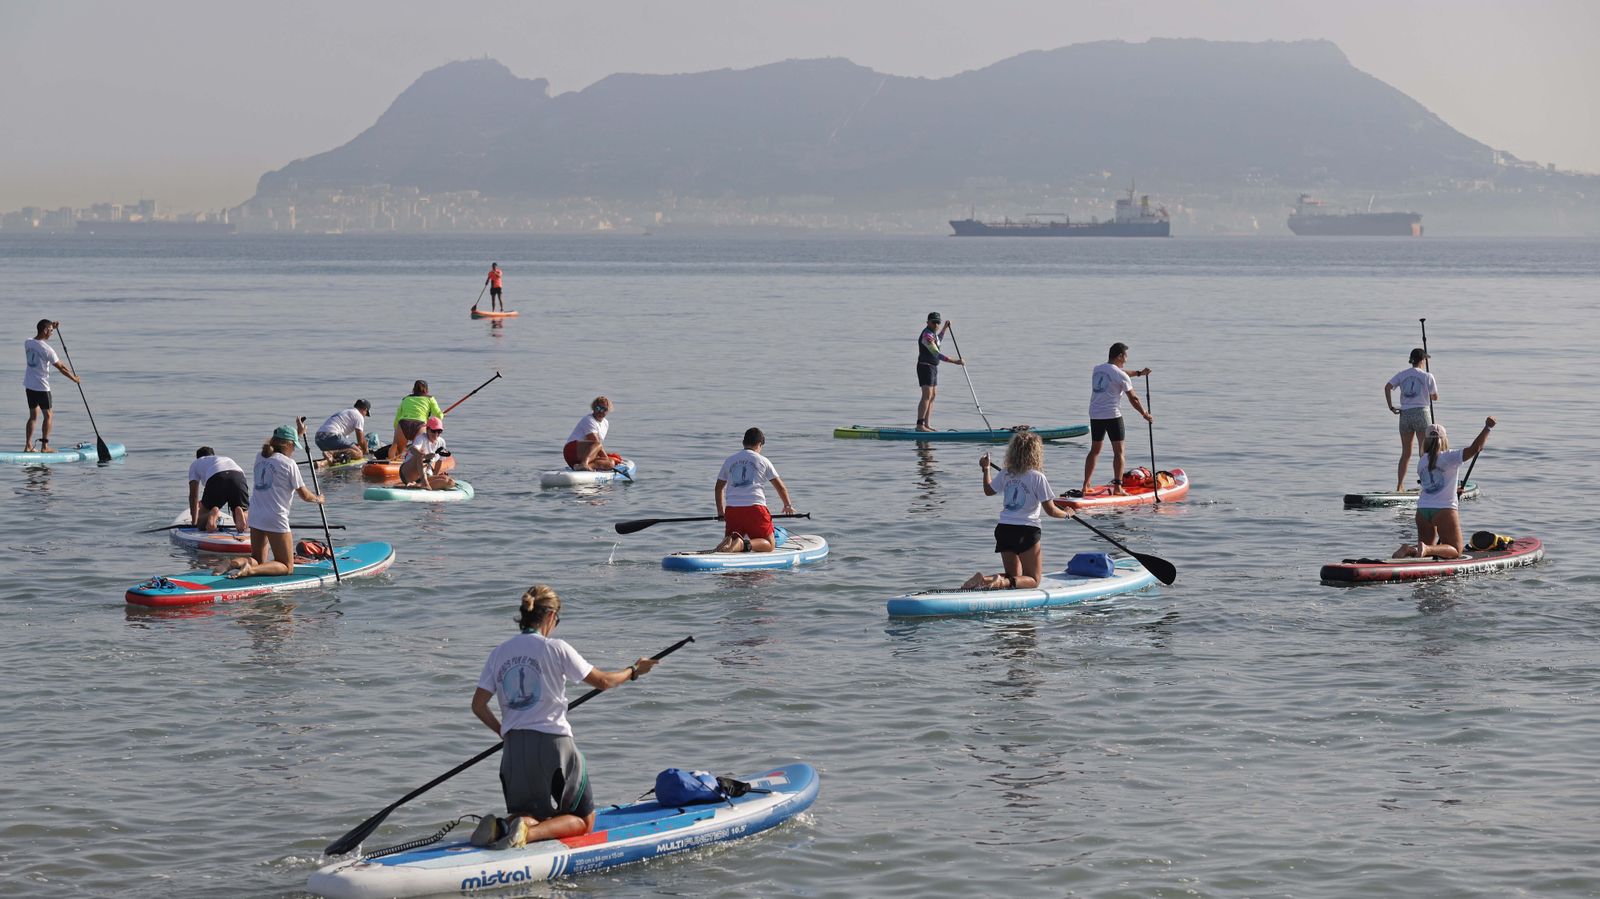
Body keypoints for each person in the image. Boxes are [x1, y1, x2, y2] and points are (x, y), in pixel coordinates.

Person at [471, 585, 659, 846]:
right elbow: (604, 681)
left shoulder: (498, 653)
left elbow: (478, 706)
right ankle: (528, 833)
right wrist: (634, 670)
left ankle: (503, 826)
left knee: (530, 812)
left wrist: (504, 732)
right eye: (557, 620)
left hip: (513, 748)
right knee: (584, 820)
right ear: (550, 616)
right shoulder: (556, 648)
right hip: (553, 747)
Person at [962, 430, 1074, 590]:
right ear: (1035, 453)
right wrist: (1067, 515)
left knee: (1015, 577)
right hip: (1026, 531)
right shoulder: (1037, 477)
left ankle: (985, 580)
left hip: (1004, 529)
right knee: (1033, 580)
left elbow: (988, 490)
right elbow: (1051, 510)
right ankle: (999, 582)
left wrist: (986, 469)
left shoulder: (1006, 473)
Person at [215, 421, 325, 578]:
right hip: (275, 517)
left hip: (256, 514)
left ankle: (231, 563)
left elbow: (276, 451)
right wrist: (318, 498)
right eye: (293, 445)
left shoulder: (260, 456)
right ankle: (250, 571)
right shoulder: (289, 464)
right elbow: (305, 495)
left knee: (257, 558)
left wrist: (298, 434)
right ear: (287, 444)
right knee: (287, 566)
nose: (294, 449)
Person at [1394, 418, 1495, 560]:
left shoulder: (1422, 461)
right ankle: (1426, 548)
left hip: (1423, 510)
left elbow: (1431, 485)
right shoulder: (1449, 456)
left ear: (1426, 441)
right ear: (1444, 440)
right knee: (1456, 550)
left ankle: (1410, 549)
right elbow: (1475, 449)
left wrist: (1454, 491)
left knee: (1425, 554)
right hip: (1444, 510)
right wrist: (1487, 428)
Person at [1080, 342, 1152, 496]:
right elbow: (1134, 398)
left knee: (1094, 450)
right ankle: (1118, 488)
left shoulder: (1098, 369)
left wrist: (1139, 373)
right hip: (1112, 415)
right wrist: (1144, 414)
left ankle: (1085, 485)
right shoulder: (1121, 375)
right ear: (1120, 356)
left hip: (1095, 414)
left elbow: (1120, 374)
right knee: (1119, 452)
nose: (1126, 359)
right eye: (1125, 356)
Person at [711, 427, 797, 553]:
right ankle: (742, 544)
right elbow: (780, 487)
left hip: (732, 510)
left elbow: (718, 488)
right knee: (769, 544)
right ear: (759, 444)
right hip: (755, 509)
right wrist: (787, 505)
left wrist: (720, 512)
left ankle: (729, 542)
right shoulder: (763, 460)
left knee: (732, 538)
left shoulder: (729, 460)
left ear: (743, 443)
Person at [22, 319, 82, 453]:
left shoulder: (28, 342)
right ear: (44, 330)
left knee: (33, 416)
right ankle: (44, 447)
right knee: (48, 416)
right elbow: (61, 368)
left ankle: (28, 446)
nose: (52, 333)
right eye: (50, 331)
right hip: (42, 387)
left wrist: (52, 326)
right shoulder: (48, 350)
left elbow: (39, 337)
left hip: (29, 385)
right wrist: (74, 378)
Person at [1385, 348, 1439, 493]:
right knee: (1425, 452)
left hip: (1405, 414)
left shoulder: (1402, 374)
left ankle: (1399, 485)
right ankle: (1426, 483)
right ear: (1422, 360)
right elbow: (1435, 397)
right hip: (1421, 413)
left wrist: (1391, 407)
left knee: (1406, 453)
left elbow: (1388, 387)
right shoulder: (1428, 376)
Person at [915, 312, 963, 431]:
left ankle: (927, 424)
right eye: (934, 322)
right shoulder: (927, 335)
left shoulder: (933, 334)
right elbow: (935, 353)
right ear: (928, 322)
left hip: (933, 368)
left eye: (938, 322)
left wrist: (945, 328)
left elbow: (938, 341)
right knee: (926, 395)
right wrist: (955, 361)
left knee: (933, 396)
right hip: (925, 367)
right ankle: (919, 425)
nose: (936, 325)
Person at [188, 446, 249, 533]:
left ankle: (211, 514)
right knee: (243, 510)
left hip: (217, 478)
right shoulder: (225, 459)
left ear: (198, 457)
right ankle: (242, 516)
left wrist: (195, 522)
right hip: (238, 477)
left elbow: (193, 495)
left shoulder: (196, 463)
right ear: (213, 455)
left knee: (201, 523)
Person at [388, 380, 444, 462]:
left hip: (403, 423)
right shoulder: (430, 399)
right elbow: (438, 416)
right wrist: (442, 415)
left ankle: (390, 461)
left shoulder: (405, 399)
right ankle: (419, 464)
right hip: (419, 425)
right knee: (420, 447)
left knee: (396, 445)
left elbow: (397, 417)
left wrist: (396, 430)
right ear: (427, 390)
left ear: (413, 389)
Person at [399, 416, 456, 489]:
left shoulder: (442, 442)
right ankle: (424, 483)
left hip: (425, 473)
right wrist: (425, 456)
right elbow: (412, 449)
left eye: (439, 431)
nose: (436, 434)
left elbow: (439, 461)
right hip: (408, 472)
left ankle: (417, 485)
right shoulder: (421, 438)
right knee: (420, 454)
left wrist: (435, 476)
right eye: (433, 431)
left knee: (450, 482)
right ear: (427, 429)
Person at [563, 396, 616, 471]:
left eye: (604, 409)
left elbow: (596, 449)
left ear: (608, 411)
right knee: (598, 444)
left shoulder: (606, 423)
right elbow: (596, 443)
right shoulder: (589, 420)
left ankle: (583, 467)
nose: (600, 411)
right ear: (593, 408)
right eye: (598, 408)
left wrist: (607, 462)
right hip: (571, 450)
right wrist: (605, 458)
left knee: (611, 463)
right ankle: (584, 464)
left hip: (581, 457)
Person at [315, 399, 371, 464]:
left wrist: (355, 446)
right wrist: (365, 451)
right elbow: (361, 441)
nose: (364, 416)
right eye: (366, 414)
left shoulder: (345, 413)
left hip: (318, 439)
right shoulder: (359, 415)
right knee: (359, 453)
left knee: (343, 453)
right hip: (330, 436)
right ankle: (330, 453)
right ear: (365, 409)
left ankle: (321, 463)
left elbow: (344, 443)